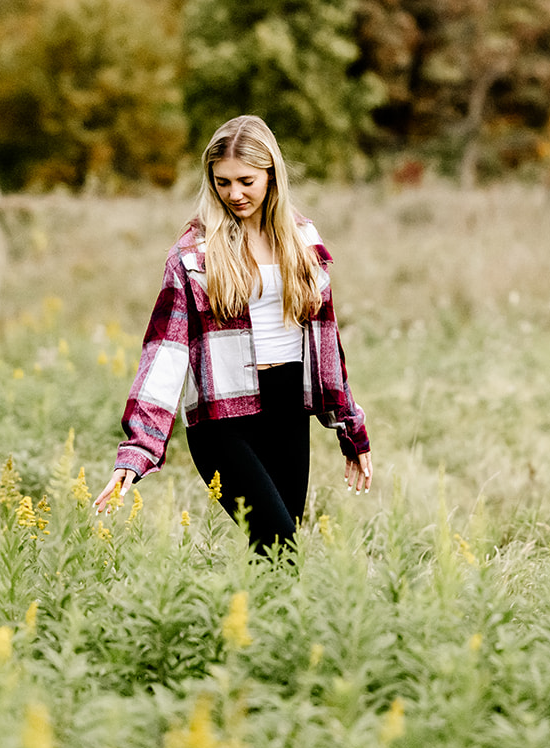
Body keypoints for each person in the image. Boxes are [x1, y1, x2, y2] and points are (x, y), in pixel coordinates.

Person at [92, 115, 371, 551]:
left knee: (278, 556)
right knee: (279, 542)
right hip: (224, 420)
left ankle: (252, 621)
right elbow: (165, 352)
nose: (234, 194)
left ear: (271, 174)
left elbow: (325, 343)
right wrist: (137, 451)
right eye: (222, 183)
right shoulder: (194, 254)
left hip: (288, 409)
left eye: (245, 181)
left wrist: (350, 428)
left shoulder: (303, 239)